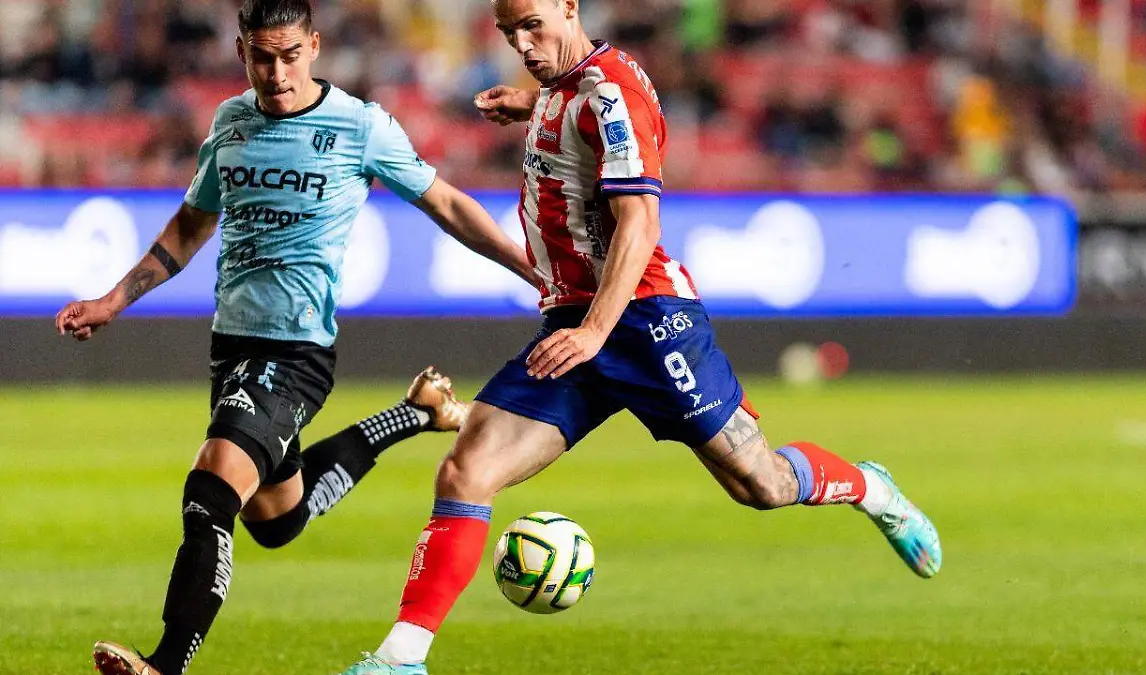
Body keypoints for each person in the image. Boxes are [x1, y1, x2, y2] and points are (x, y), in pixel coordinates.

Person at [337, 1, 942, 673]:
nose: (523, 45)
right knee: (467, 469)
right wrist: (533, 102)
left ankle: (870, 487)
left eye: (534, 25)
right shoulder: (569, 86)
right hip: (574, 323)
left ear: (569, 7)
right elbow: (581, 109)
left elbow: (639, 221)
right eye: (510, 32)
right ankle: (401, 658)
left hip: (647, 322)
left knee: (762, 484)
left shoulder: (609, 92)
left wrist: (597, 330)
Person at [54, 2, 538, 674]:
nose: (277, 73)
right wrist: (114, 299)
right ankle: (417, 413)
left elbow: (446, 202)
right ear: (242, 52)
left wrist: (528, 267)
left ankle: (165, 663)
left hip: (295, 353)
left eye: (289, 56)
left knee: (211, 489)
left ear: (313, 46)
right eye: (262, 57)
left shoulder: (359, 126)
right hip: (231, 349)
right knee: (276, 518)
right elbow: (191, 225)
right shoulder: (231, 123)